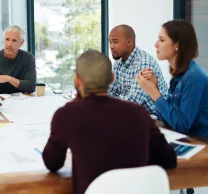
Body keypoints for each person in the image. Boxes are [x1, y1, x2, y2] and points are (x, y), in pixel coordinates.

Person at [42, 49, 177, 194]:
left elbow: (52, 162)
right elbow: (168, 159)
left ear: (77, 80)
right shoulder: (139, 113)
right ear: (112, 78)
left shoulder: (66, 115)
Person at [137, 20, 208, 138]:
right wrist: (155, 88)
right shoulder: (178, 76)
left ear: (177, 45)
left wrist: (153, 92)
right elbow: (167, 118)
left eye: (162, 40)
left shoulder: (194, 77)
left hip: (201, 146)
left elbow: (182, 126)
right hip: (188, 140)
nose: (156, 44)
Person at [108, 24, 168, 115]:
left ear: (129, 43)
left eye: (115, 42)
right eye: (110, 42)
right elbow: (111, 93)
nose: (111, 46)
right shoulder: (118, 64)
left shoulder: (144, 63)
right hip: (136, 115)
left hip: (157, 118)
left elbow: (132, 103)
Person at [0, 25, 36, 94]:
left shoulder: (28, 58)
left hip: (23, 101)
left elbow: (31, 87)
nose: (9, 44)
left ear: (21, 43)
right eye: (7, 39)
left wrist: (8, 79)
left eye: (14, 40)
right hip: (1, 102)